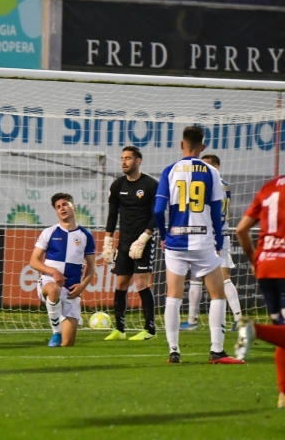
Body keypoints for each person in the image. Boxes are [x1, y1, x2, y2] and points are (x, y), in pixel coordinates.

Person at [154, 126, 242, 364]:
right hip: (203, 240)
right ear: (203, 146)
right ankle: (217, 351)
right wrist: (217, 241)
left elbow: (157, 210)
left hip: (176, 240)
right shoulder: (211, 172)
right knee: (217, 294)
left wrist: (164, 235)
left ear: (182, 144)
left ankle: (174, 351)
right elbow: (216, 211)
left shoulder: (170, 171)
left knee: (173, 296)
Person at [234, 174, 285, 408]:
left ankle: (283, 394)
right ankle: (254, 329)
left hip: (265, 265)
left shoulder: (270, 186)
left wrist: (255, 261)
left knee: (282, 332)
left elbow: (241, 229)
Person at [102, 146, 158, 341]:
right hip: (124, 243)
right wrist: (108, 242)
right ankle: (120, 329)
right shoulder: (117, 185)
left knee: (142, 282)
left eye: (128, 158)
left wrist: (144, 238)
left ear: (138, 161)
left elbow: (157, 215)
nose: (124, 162)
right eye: (122, 158)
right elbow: (112, 214)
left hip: (143, 242)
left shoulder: (151, 185)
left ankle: (150, 330)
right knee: (121, 282)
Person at [181, 154, 242, 331]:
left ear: (216, 166)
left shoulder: (212, 184)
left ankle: (237, 318)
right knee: (197, 277)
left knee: (221, 278)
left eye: (207, 165)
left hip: (211, 236)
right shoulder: (224, 184)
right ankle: (192, 320)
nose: (203, 168)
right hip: (216, 234)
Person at [29, 193, 96, 347]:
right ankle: (56, 332)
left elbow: (91, 266)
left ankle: (62, 335)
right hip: (49, 281)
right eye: (58, 207)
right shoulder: (49, 232)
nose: (62, 208)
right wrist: (53, 272)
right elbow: (33, 261)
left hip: (72, 291)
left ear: (74, 207)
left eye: (65, 204)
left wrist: (82, 286)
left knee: (68, 344)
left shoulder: (86, 235)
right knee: (53, 289)